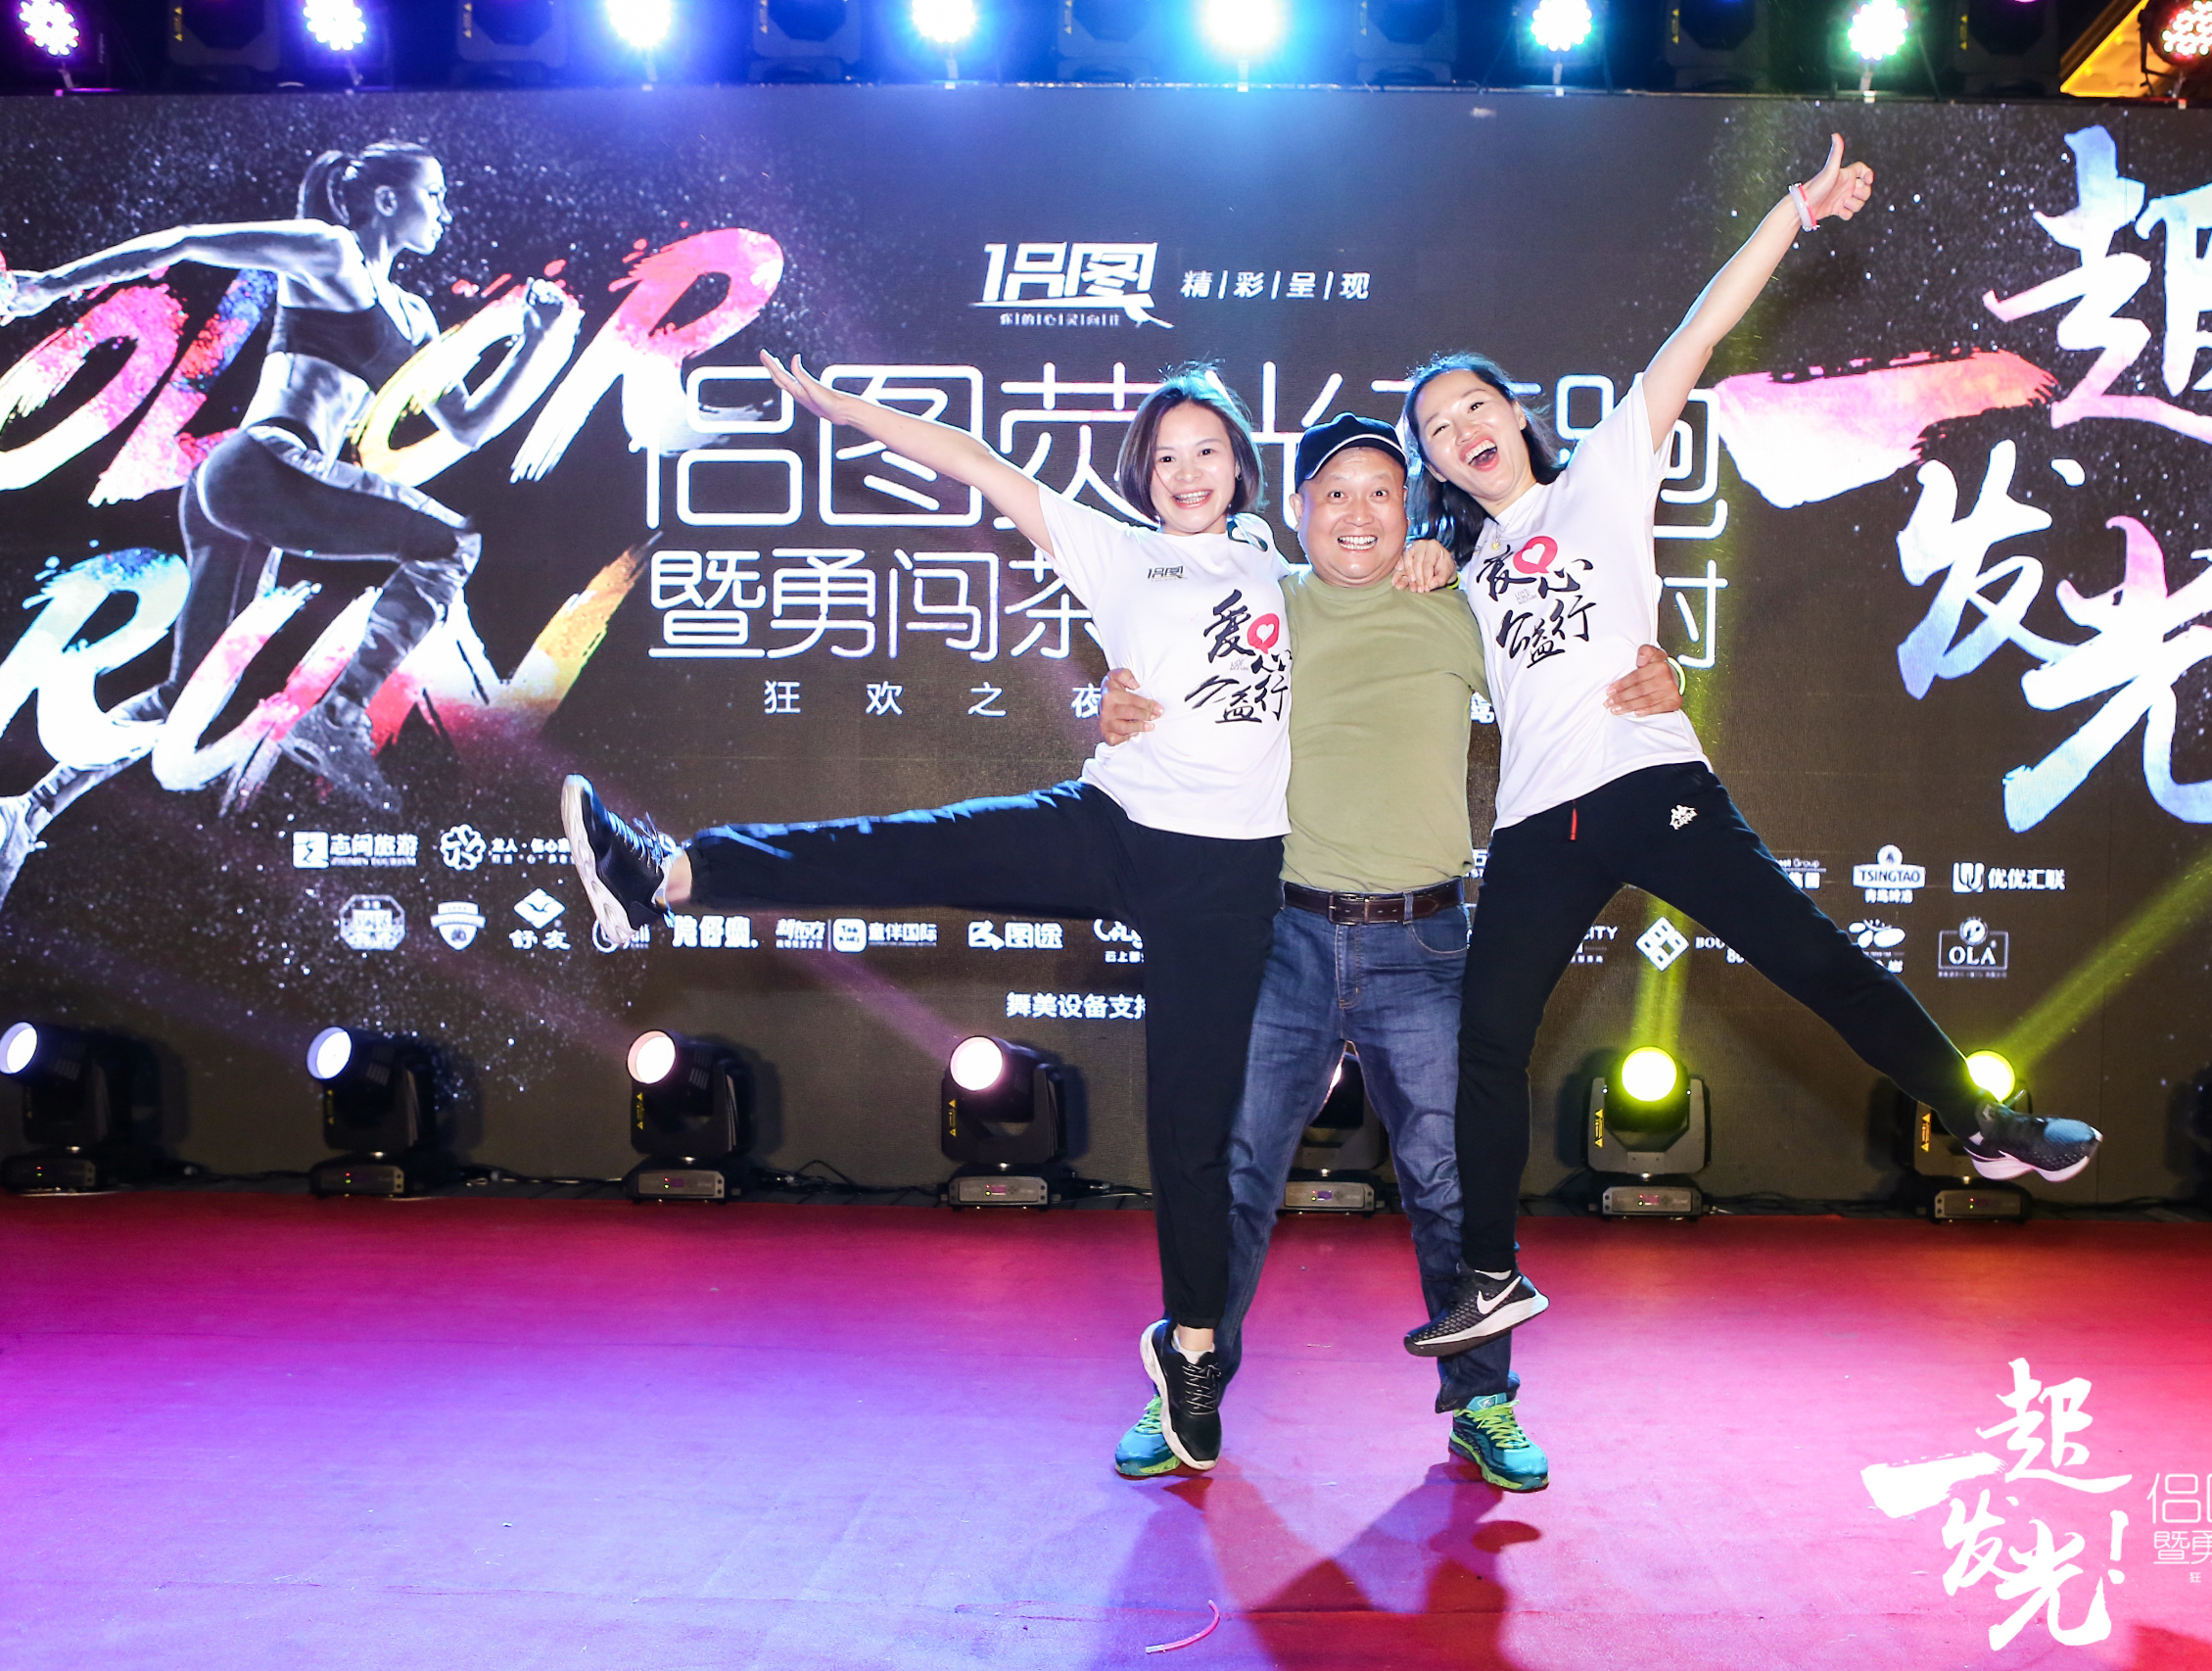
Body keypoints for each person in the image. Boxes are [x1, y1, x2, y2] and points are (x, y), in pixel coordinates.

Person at [1396, 137, 2104, 1361]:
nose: (1462, 428)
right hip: (1538, 824)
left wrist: (1794, 209)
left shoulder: (1605, 472)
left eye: (1474, 405)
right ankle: (1490, 1274)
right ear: (1434, 462)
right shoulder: (1452, 574)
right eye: (1436, 428)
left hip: (1652, 783)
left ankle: (1987, 1122)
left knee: (1813, 956)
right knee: (1488, 1041)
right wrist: (1407, 558)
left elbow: (1701, 329)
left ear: (1513, 414)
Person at [565, 359, 1295, 1475]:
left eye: (1206, 451)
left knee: (1192, 1131)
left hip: (1229, 875)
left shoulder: (1285, 572)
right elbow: (978, 463)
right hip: (1113, 823)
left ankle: (1192, 1349)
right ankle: (667, 878)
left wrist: (1429, 556)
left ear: (1240, 464)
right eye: (1165, 457)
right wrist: (846, 411)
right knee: (913, 843)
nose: (1186, 472)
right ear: (1143, 477)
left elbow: (1382, 588)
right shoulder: (1117, 550)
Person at [1093, 414, 1682, 1490]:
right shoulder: (1260, 602)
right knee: (1233, 1170)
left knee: (1452, 1180)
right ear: (1297, 509)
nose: (1357, 514)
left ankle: (1483, 1400)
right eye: (1334, 493)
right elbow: (1160, 678)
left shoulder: (1456, 604)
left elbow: (1570, 666)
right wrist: (1117, 701)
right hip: (1283, 936)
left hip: (1426, 941)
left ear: (1410, 511)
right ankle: (1187, 1378)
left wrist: (1656, 675)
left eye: (1380, 492)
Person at [0, 140, 572, 887]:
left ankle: (28, 809)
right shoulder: (328, 251)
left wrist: (534, 347)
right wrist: (50, 285)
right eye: (434, 195)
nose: (446, 212)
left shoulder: (415, 316)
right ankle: (338, 717)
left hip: (244, 492)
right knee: (450, 545)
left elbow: (467, 426)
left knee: (189, 694)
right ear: (387, 200)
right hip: (264, 466)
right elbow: (186, 241)